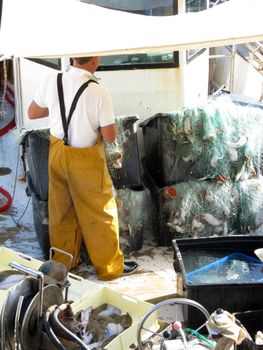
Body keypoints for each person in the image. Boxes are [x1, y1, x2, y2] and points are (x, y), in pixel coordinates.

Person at [28, 56, 138, 280]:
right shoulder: (98, 91)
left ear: (72, 58)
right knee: (99, 212)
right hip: (86, 159)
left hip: (58, 154)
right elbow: (109, 136)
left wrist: (61, 107)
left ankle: (63, 264)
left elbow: (33, 113)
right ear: (95, 60)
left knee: (61, 211)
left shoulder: (53, 80)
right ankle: (109, 268)